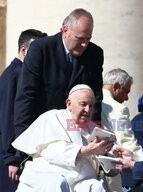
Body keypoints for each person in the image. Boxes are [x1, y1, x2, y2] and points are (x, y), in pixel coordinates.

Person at [12, 84, 114, 192]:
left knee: (97, 187)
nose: (88, 110)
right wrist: (85, 150)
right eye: (83, 104)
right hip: (46, 179)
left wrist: (112, 156)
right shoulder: (52, 118)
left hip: (81, 185)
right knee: (57, 182)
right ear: (68, 103)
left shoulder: (93, 129)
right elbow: (51, 150)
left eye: (91, 105)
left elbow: (108, 165)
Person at [14, 8, 104, 138]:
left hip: (77, 133)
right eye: (80, 38)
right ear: (65, 30)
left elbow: (96, 97)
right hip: (43, 129)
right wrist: (23, 136)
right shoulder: (41, 49)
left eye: (88, 39)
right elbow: (26, 95)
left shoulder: (94, 54)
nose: (84, 44)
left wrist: (94, 134)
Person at [0, 29, 47, 192]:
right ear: (24, 50)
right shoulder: (13, 76)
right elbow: (7, 119)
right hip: (11, 160)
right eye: (36, 52)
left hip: (18, 157)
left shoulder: (25, 75)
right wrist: (12, 157)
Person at [101, 68, 143, 192]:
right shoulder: (118, 108)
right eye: (126, 91)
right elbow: (126, 141)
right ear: (116, 86)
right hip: (110, 169)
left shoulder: (91, 99)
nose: (126, 97)